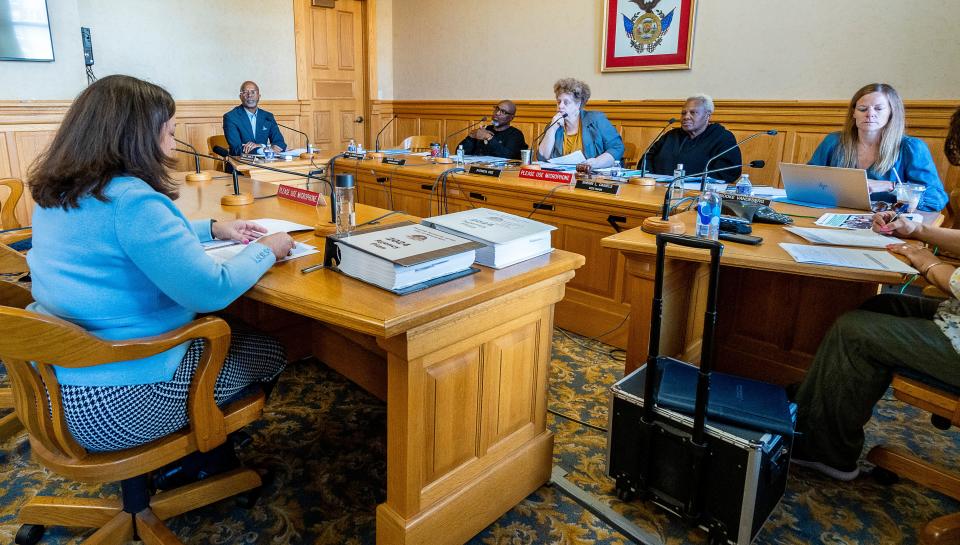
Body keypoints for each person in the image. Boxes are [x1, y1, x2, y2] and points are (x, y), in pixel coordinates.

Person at [26, 75, 296, 453]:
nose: (172, 146)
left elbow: (128, 237)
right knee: (269, 349)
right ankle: (201, 458)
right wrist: (266, 248)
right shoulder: (132, 202)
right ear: (136, 137)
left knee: (236, 331)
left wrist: (214, 229)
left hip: (52, 382)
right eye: (169, 133)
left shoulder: (57, 192)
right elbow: (212, 289)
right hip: (116, 402)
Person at [791, 107, 960, 481]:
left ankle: (827, 453)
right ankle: (811, 410)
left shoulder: (908, 147)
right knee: (879, 304)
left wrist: (928, 264)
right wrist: (917, 232)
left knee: (855, 330)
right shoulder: (836, 142)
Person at [808, 83, 947, 212]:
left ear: (892, 113)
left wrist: (891, 186)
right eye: (862, 109)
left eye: (879, 108)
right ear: (854, 113)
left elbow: (937, 198)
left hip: (888, 224)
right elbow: (807, 181)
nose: (870, 114)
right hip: (833, 214)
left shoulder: (911, 147)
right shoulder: (833, 141)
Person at [640, 94, 742, 183]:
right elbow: (646, 159)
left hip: (699, 194)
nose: (686, 117)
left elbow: (728, 171)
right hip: (658, 188)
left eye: (693, 112)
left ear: (707, 116)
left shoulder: (722, 138)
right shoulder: (670, 136)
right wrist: (651, 180)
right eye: (683, 113)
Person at [537, 78, 624, 169]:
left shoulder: (596, 120)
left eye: (566, 102)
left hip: (592, 176)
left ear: (578, 104)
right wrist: (552, 129)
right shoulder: (554, 124)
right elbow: (542, 158)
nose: (560, 106)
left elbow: (617, 147)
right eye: (559, 102)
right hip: (562, 178)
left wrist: (597, 162)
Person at [223, 80, 287, 156]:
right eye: (245, 92)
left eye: (253, 92)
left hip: (265, 164)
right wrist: (264, 149)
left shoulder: (268, 116)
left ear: (259, 96)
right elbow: (236, 148)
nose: (249, 95)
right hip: (240, 164)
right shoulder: (231, 117)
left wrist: (262, 146)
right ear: (240, 97)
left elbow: (280, 143)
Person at [457, 100, 528, 160]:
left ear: (511, 118)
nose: (497, 113)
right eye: (497, 109)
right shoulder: (485, 129)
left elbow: (507, 157)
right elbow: (459, 153)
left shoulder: (515, 135)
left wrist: (489, 137)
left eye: (503, 112)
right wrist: (471, 137)